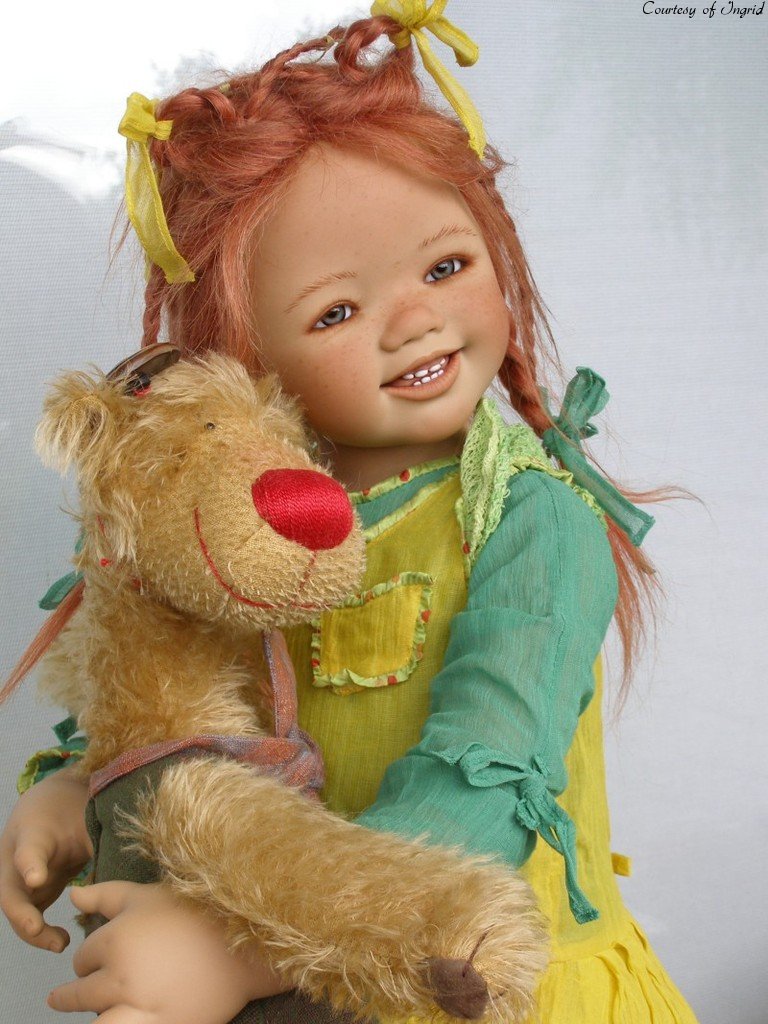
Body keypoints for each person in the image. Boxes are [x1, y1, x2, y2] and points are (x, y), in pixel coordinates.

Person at [0, 3, 699, 1022]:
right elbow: (184, 697)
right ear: (245, 358)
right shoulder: (249, 529)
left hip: (492, 989)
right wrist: (82, 785)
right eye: (336, 310)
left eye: (447, 266)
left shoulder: (534, 525)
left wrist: (240, 954)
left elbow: (480, 794)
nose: (415, 319)